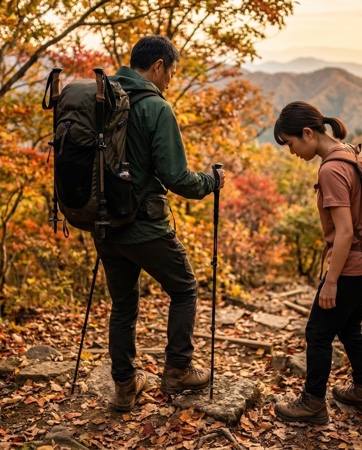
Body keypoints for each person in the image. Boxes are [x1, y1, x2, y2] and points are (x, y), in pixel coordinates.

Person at [97, 35, 226, 412]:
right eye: (171, 72)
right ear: (158, 67)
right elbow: (177, 177)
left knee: (123, 305)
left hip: (104, 224)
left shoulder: (103, 97)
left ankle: (124, 385)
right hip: (143, 225)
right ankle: (178, 371)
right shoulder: (155, 107)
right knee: (184, 288)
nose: (170, 80)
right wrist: (211, 182)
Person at [272, 101, 362, 424]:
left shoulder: (331, 169)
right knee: (350, 328)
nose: (292, 152)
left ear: (308, 133)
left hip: (351, 267)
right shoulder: (348, 152)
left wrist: (331, 281)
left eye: (291, 144)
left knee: (318, 333)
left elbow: (345, 231)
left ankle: (313, 403)